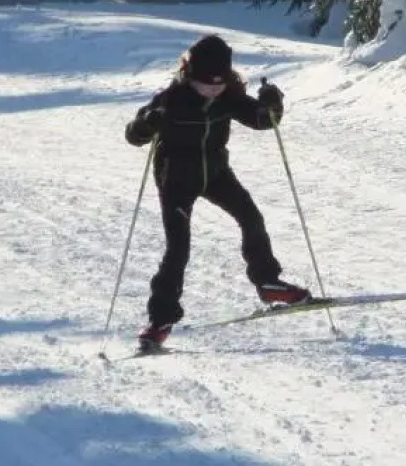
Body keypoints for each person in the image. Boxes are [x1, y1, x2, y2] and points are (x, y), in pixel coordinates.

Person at [124, 34, 310, 350]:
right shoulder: (171, 99)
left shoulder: (229, 97)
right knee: (178, 247)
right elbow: (134, 135)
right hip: (176, 180)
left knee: (251, 217)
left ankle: (268, 282)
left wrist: (272, 102)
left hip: (215, 173)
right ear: (189, 74)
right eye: (205, 83)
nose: (213, 88)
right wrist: (148, 123)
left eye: (219, 83)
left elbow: (265, 121)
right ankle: (160, 320)